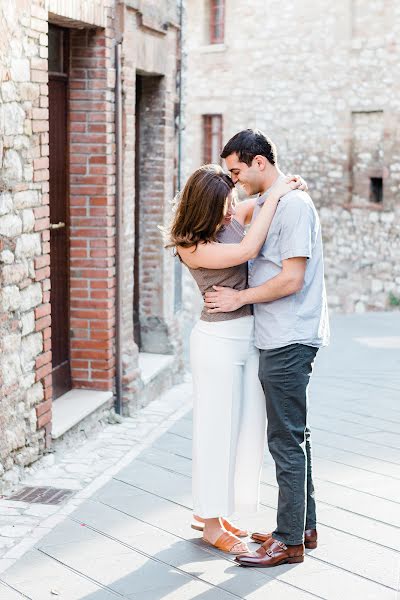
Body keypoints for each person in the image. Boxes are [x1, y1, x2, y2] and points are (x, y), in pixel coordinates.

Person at [205, 129, 330, 567]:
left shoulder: (292, 207)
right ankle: (303, 527)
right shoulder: (273, 201)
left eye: (237, 170)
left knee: (284, 440)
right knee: (295, 436)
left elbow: (292, 279)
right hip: (279, 334)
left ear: (260, 162)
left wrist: (238, 298)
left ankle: (287, 543)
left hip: (289, 336)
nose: (234, 180)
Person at [166, 164, 306, 555]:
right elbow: (248, 249)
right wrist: (276, 195)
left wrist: (283, 187)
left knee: (244, 429)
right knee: (215, 430)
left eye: (231, 201)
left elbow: (256, 205)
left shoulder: (231, 215)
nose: (231, 211)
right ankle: (210, 525)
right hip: (215, 341)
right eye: (223, 206)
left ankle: (217, 509)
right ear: (202, 207)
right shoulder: (189, 242)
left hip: (248, 338)